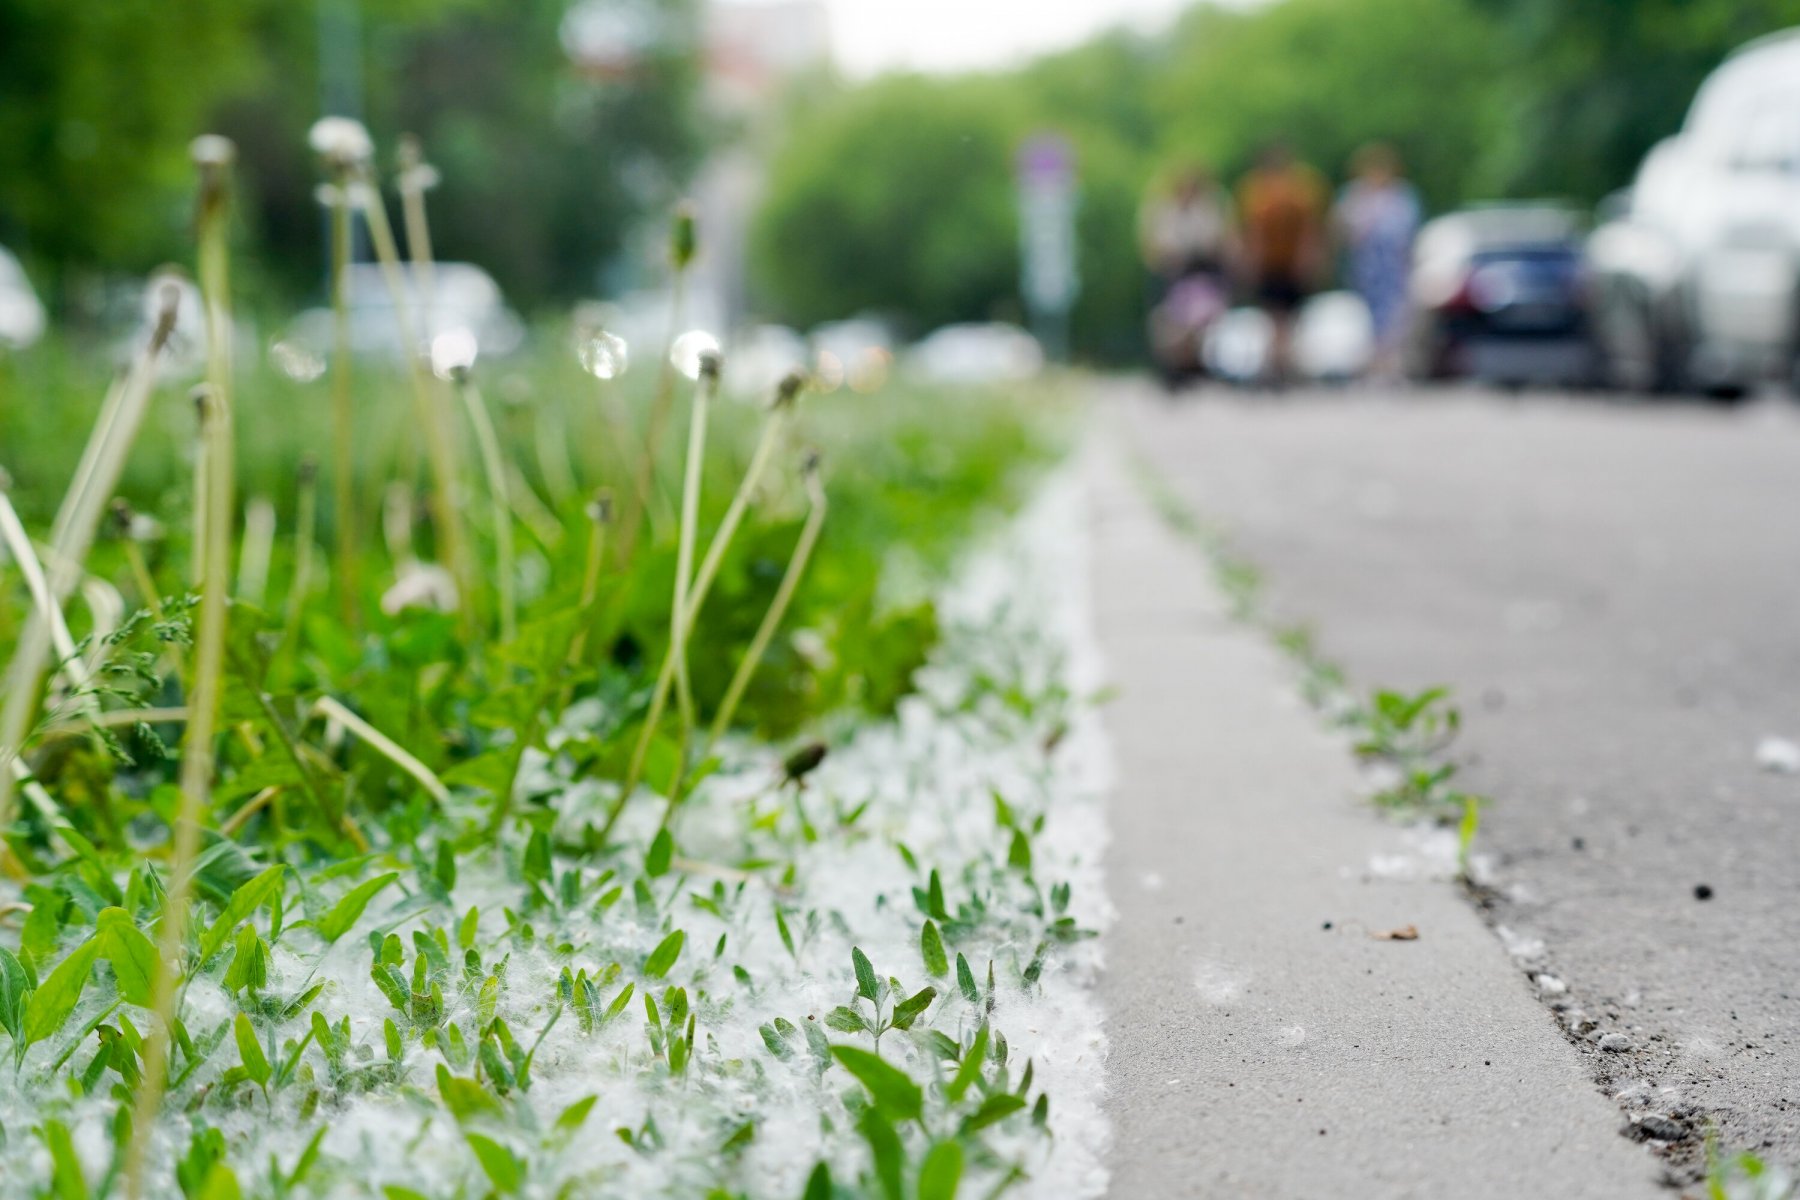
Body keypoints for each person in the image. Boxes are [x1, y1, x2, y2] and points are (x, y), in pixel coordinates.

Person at [1237, 142, 1328, 384]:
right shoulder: (1257, 190)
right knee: (1275, 316)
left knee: (1288, 316)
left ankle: (1282, 363)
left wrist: (1308, 258)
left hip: (1289, 262)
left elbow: (1310, 228)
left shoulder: (1300, 189)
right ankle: (1280, 363)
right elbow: (1252, 230)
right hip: (1270, 263)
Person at [1139, 165, 1237, 383]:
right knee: (1170, 323)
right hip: (1172, 275)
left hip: (1201, 274)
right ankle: (1176, 365)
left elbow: (1219, 243)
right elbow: (1154, 248)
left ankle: (1192, 364)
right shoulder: (1164, 211)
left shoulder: (1210, 209)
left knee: (1199, 321)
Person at [1334, 142, 1422, 379]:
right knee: (1369, 318)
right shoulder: (1354, 196)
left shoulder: (1401, 196)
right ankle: (1375, 365)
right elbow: (1342, 229)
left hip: (1393, 268)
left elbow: (1407, 233)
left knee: (1395, 318)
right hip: (1366, 267)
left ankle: (1390, 366)